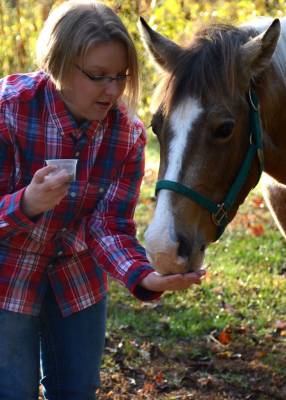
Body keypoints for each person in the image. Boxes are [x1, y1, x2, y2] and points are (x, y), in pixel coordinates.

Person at [0, 1, 206, 399]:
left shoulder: (126, 136)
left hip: (77, 278)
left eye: (120, 77)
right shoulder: (8, 111)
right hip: (8, 276)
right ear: (56, 64)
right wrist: (26, 203)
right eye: (97, 77)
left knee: (77, 389)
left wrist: (143, 275)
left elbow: (108, 226)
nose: (113, 91)